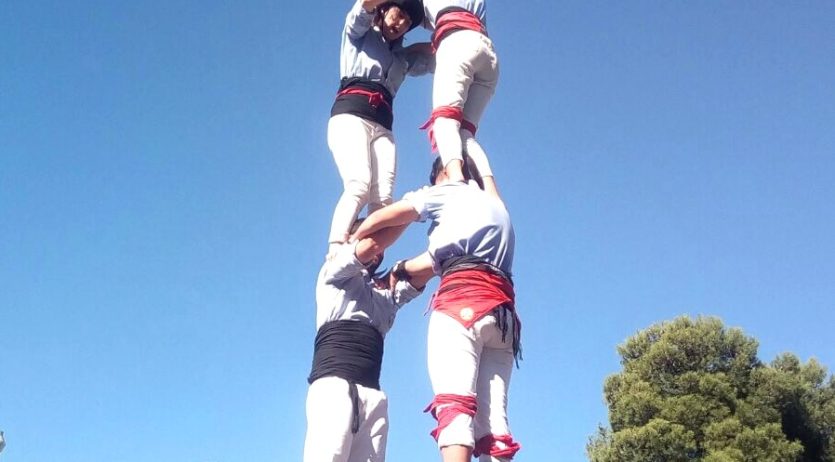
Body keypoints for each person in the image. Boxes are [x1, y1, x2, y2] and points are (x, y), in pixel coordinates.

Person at [352, 150, 521, 462]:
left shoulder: (447, 190)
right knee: (495, 424)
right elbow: (431, 263)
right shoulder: (497, 207)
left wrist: (351, 240)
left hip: (462, 304)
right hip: (503, 317)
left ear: (444, 172)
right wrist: (399, 268)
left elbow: (382, 218)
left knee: (455, 407)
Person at [304, 222, 429, 462]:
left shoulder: (385, 293)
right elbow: (373, 244)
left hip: (373, 395)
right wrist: (414, 210)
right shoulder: (334, 270)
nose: (379, 251)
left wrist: (404, 267)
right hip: (334, 387)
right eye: (372, 236)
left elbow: (428, 268)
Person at [328, 0, 434, 255]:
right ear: (385, 9)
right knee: (358, 184)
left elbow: (434, 52)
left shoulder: (402, 58)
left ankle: (367, 256)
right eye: (399, 14)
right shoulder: (359, 32)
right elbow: (365, 5)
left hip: (383, 127)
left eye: (409, 22)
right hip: (351, 117)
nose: (401, 24)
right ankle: (335, 248)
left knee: (383, 198)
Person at [417, 0, 497, 186]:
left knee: (444, 121)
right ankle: (492, 192)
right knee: (465, 133)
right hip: (487, 52)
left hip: (457, 43)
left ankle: (456, 181)